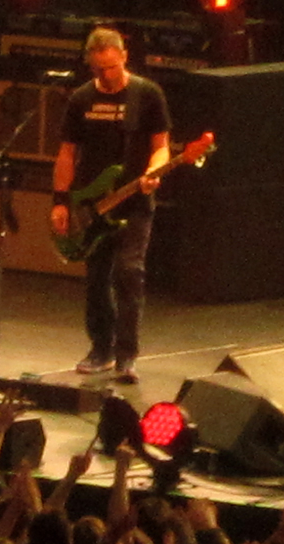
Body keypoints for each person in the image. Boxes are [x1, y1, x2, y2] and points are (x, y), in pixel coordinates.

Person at [50, 26, 171, 385]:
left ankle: (126, 355)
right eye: (98, 69)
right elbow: (67, 154)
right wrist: (61, 201)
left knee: (129, 272)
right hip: (92, 202)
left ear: (124, 57)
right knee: (97, 279)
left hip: (135, 201)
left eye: (111, 67)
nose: (106, 75)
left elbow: (162, 146)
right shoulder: (81, 99)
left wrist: (153, 173)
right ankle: (100, 348)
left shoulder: (147, 94)